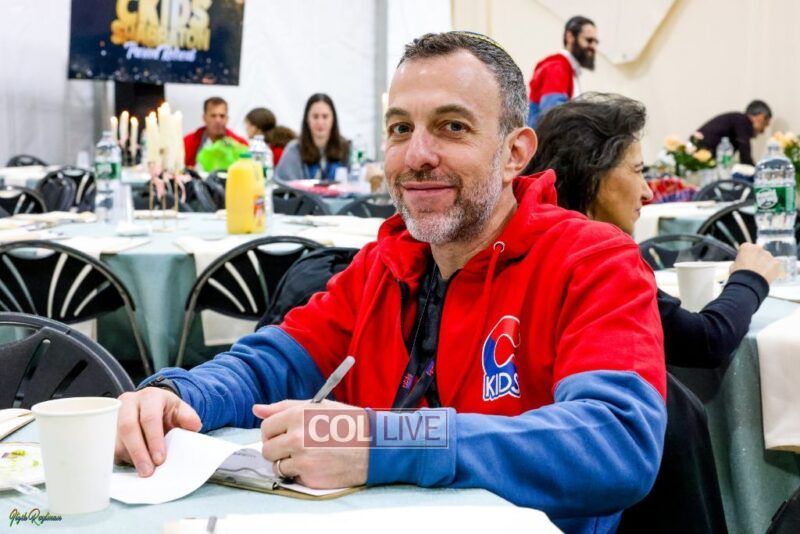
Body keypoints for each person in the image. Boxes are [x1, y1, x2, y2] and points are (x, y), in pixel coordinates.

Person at [115, 32, 667, 533]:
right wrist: (177, 396)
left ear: (514, 154)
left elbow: (617, 441)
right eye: (401, 129)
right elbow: (273, 363)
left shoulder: (594, 261)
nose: (417, 156)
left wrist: (385, 441)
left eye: (453, 127)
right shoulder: (387, 262)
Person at [525, 92, 781, 533]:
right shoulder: (594, 261)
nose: (647, 191)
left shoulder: (528, 245)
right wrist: (750, 278)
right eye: (638, 170)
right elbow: (706, 340)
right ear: (592, 174)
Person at [526, 15, 597, 129]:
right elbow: (553, 117)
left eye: (595, 42)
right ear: (570, 37)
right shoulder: (557, 67)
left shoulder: (568, 69)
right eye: (589, 40)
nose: (593, 47)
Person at [275, 94, 350, 181]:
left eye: (325, 116)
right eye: (315, 117)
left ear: (333, 119)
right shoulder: (294, 150)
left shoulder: (346, 148)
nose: (320, 122)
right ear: (307, 119)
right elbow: (284, 184)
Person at [694, 100, 772, 166]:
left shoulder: (737, 122)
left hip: (697, 153)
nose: (763, 131)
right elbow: (745, 155)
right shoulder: (743, 121)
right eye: (765, 124)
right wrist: (757, 173)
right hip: (700, 155)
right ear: (760, 117)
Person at [183, 97, 248, 168]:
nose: (218, 120)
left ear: (227, 119)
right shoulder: (187, 143)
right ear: (204, 118)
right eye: (213, 116)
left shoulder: (240, 144)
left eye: (222, 116)